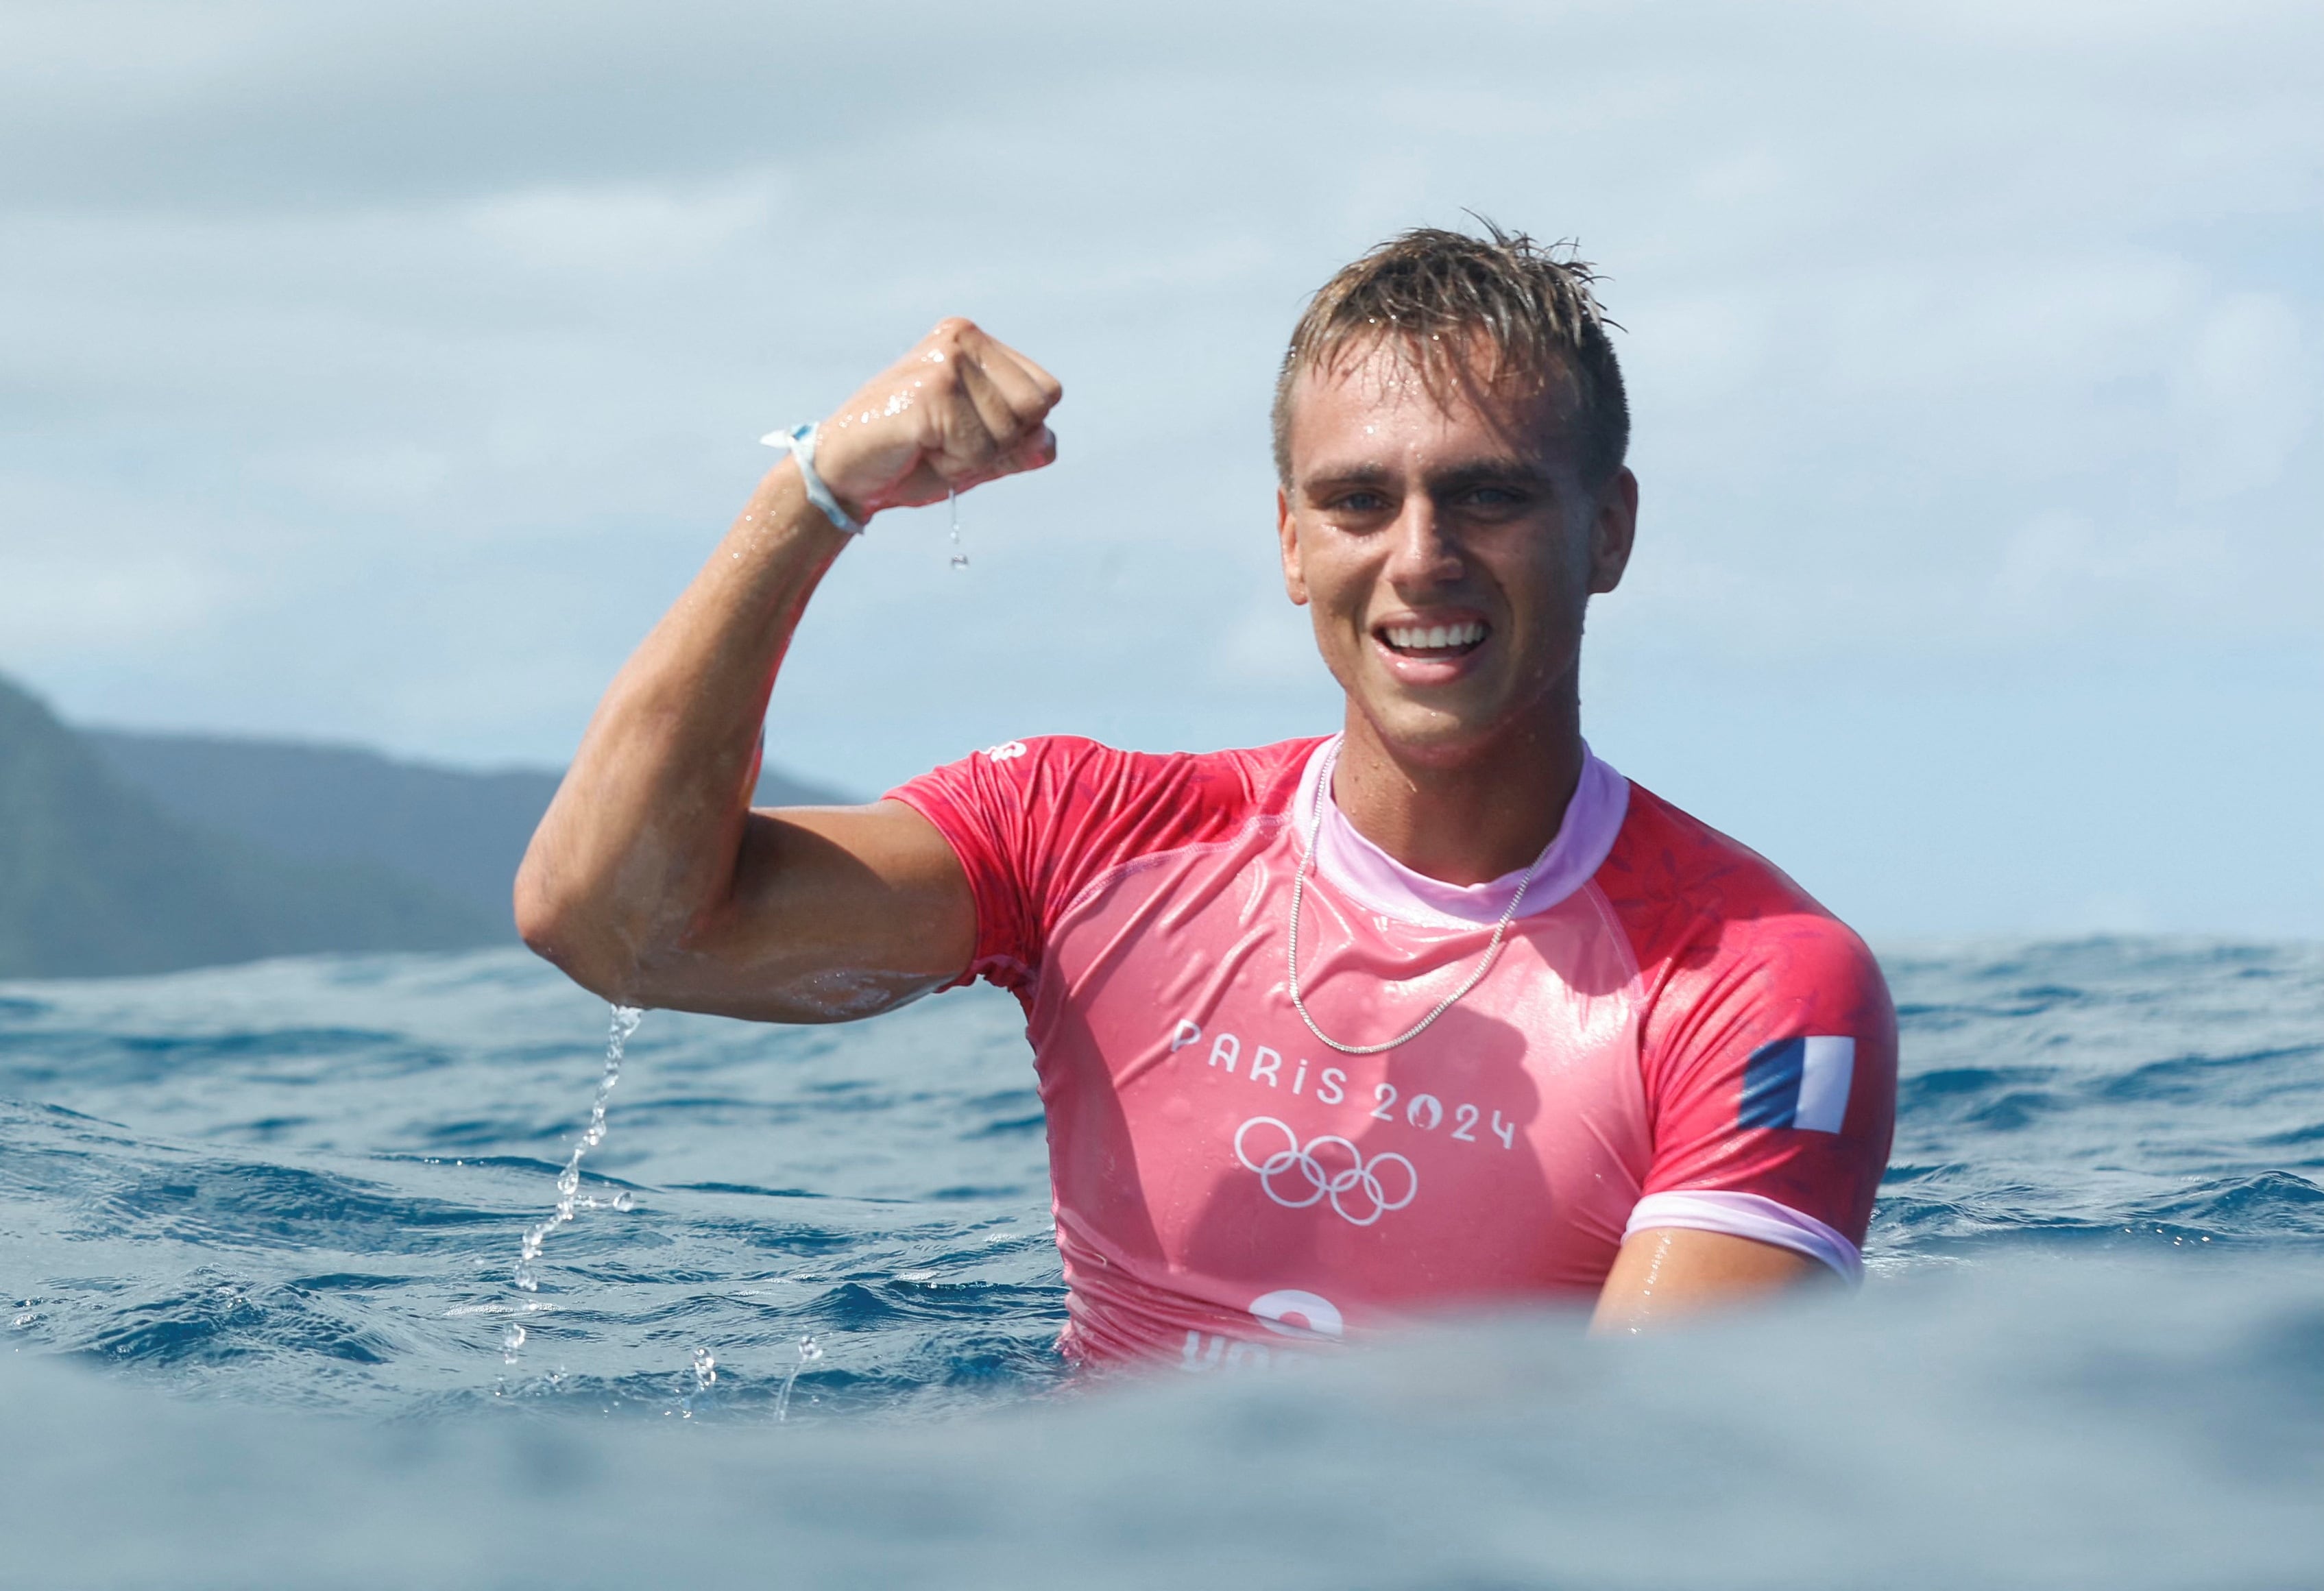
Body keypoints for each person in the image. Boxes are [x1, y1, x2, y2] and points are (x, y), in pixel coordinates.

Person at [514, 222, 1897, 1369]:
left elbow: (1661, 1493)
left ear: (1609, 531)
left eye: (1487, 498)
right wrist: (818, 491)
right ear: (1292, 544)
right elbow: (613, 922)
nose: (1421, 558)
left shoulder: (1759, 990)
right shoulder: (1086, 842)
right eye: (1359, 503)